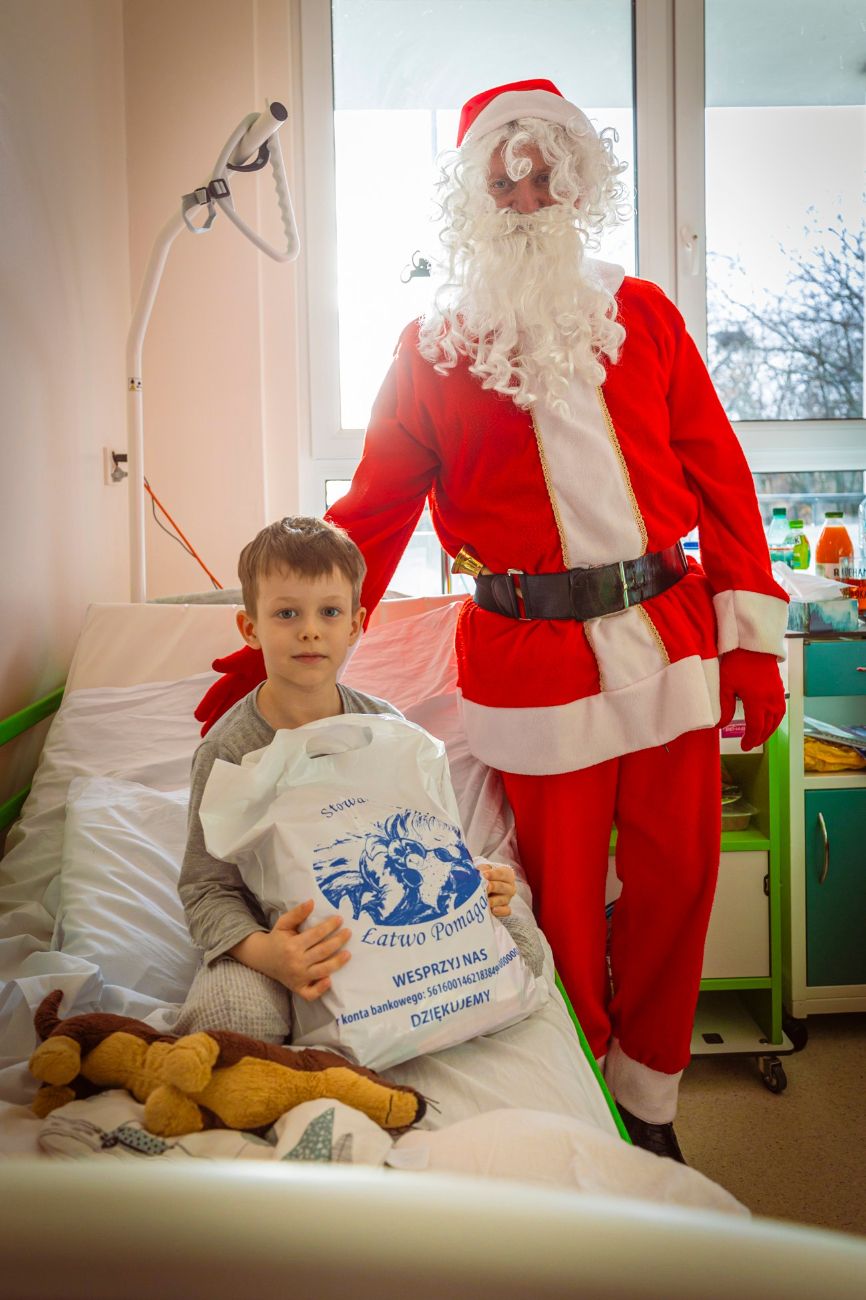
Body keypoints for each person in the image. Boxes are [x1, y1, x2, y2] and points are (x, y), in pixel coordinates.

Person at [195, 81, 787, 1161]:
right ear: (474, 191)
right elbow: (370, 512)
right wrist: (265, 652)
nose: (524, 190)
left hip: (668, 635)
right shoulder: (430, 346)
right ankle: (592, 1110)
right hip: (531, 660)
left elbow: (718, 470)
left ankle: (648, 1102)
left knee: (676, 879)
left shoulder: (642, 312)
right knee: (558, 905)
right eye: (502, 174)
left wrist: (750, 637)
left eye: (543, 169)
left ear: (575, 179)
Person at [176, 515, 518, 1043]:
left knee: (527, 947)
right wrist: (266, 952)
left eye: (329, 612)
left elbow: (426, 840)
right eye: (286, 613)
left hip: (381, 927)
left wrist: (478, 882)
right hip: (274, 937)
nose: (310, 629)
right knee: (234, 1019)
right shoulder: (228, 750)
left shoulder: (389, 731)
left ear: (355, 625)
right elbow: (205, 887)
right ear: (250, 628)